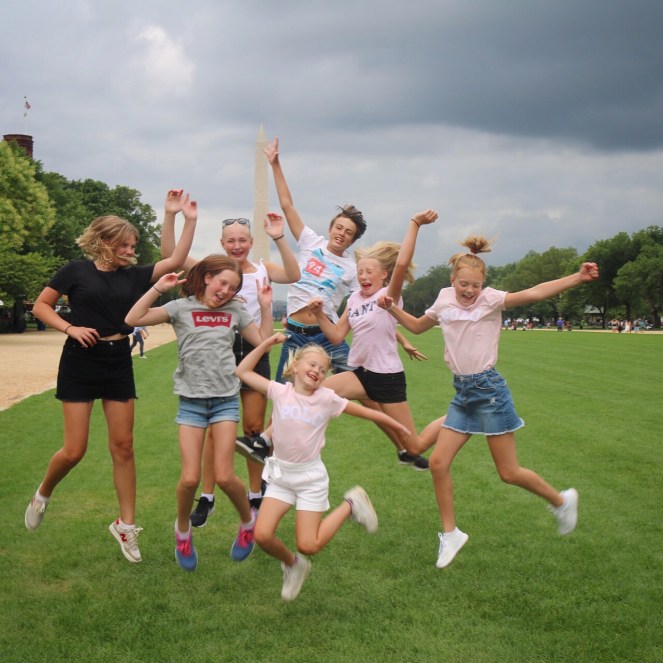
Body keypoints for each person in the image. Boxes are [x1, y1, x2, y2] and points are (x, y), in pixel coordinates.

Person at [378, 234, 599, 569]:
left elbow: (535, 292)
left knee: (508, 472)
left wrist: (577, 277)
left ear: (483, 284)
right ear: (452, 280)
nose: (469, 291)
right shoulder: (444, 299)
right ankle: (451, 534)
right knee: (437, 463)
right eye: (464, 284)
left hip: (489, 392)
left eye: (475, 285)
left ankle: (561, 500)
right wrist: (392, 309)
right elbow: (419, 327)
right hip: (463, 394)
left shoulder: (491, 299)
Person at [25, 190, 198, 564]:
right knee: (75, 450)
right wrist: (70, 328)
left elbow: (176, 259)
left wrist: (183, 218)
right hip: (80, 360)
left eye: (133, 245)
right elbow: (41, 305)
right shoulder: (75, 271)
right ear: (104, 241)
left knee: (124, 447)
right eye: (124, 245)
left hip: (118, 360)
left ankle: (126, 525)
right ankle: (43, 493)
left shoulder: (134, 276)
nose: (131, 251)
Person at [248, 136, 429, 469]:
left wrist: (401, 339)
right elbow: (287, 205)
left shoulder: (352, 269)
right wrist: (275, 164)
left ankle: (405, 449)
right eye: (339, 227)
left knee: (370, 394)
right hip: (295, 335)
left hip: (328, 337)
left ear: (353, 240)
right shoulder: (310, 242)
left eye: (348, 232)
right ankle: (268, 451)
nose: (341, 233)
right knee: (287, 399)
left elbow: (372, 310)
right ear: (330, 228)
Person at [235, 333, 412, 601]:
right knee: (262, 535)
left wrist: (395, 423)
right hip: (281, 477)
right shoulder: (280, 391)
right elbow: (243, 371)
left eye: (323, 369)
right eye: (312, 365)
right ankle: (294, 565)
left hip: (310, 479)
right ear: (295, 366)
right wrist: (267, 344)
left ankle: (351, 504)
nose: (317, 371)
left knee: (309, 544)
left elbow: (366, 411)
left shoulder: (327, 398)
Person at [125, 255, 274, 571]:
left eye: (233, 288)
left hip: (224, 401)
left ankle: (247, 523)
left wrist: (264, 306)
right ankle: (182, 530)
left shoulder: (235, 311)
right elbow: (132, 318)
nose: (226, 291)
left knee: (225, 476)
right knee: (190, 478)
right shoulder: (181, 308)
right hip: (191, 404)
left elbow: (264, 343)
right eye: (223, 283)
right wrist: (158, 288)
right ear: (207, 277)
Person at [161, 204, 300, 528]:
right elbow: (171, 255)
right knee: (215, 427)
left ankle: (255, 494)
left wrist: (279, 238)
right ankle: (207, 497)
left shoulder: (263, 269)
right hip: (219, 350)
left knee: (252, 430)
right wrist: (175, 217)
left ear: (251, 241)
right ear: (222, 243)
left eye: (242, 240)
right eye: (231, 241)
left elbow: (294, 275)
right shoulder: (212, 270)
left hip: (254, 348)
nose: (237, 246)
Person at [307, 210, 446, 464]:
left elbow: (401, 264)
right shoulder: (354, 299)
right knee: (312, 391)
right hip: (361, 374)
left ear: (384, 275)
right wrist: (319, 315)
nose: (363, 277)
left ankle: (459, 416)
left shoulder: (387, 295)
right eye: (360, 272)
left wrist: (415, 223)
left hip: (387, 378)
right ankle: (284, 447)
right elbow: (336, 335)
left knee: (414, 446)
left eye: (369, 272)